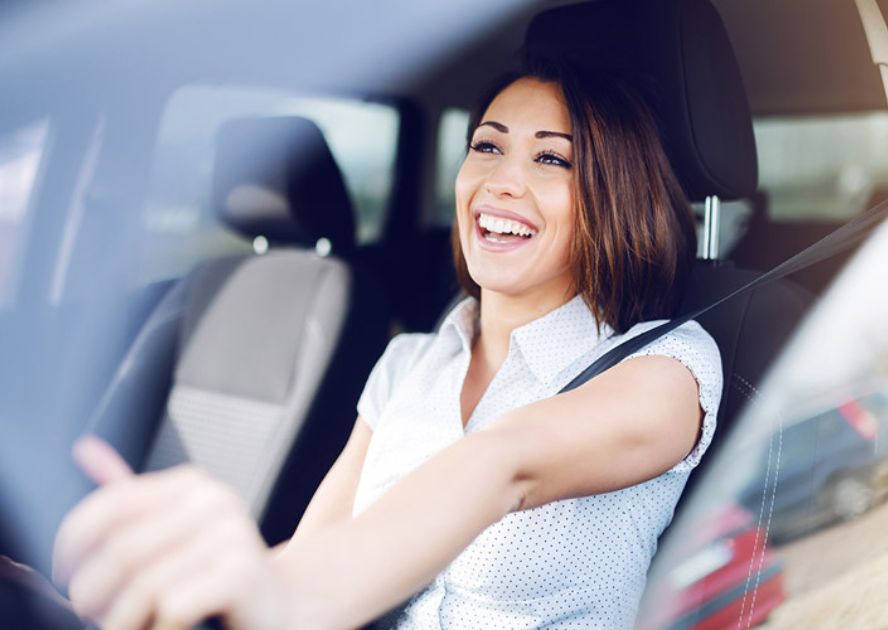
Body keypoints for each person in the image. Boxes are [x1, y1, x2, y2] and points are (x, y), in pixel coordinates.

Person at [52, 59, 722, 629]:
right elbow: (314, 554)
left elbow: (505, 464)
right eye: (487, 146)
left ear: (614, 198)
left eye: (551, 158)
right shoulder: (408, 364)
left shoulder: (668, 368)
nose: (501, 181)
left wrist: (276, 593)